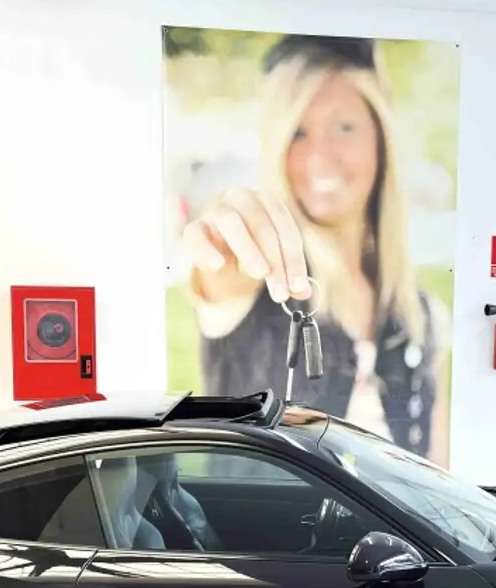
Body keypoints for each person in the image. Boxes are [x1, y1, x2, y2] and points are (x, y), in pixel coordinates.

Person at [180, 34, 450, 465]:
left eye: (344, 127)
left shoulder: (421, 314)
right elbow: (222, 274)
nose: (320, 159)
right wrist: (225, 236)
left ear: (380, 139)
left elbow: (440, 472)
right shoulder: (264, 277)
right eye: (299, 132)